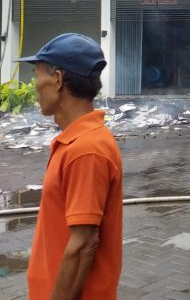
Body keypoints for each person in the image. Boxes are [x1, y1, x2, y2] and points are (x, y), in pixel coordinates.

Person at [20, 33, 122, 300]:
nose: (35, 84)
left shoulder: (86, 149)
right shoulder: (76, 142)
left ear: (57, 78)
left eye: (37, 74)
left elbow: (84, 244)